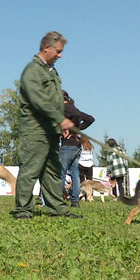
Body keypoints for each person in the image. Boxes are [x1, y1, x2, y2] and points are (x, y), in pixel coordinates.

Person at [12, 31, 81, 219]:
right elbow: (38, 100)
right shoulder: (32, 71)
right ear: (46, 48)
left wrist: (60, 123)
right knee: (31, 169)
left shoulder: (50, 70)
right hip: (35, 129)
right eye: (58, 51)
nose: (60, 55)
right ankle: (23, 210)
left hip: (50, 129)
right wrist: (59, 118)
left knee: (52, 170)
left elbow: (54, 99)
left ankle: (56, 207)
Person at [60, 91, 95, 207]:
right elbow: (90, 119)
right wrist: (78, 129)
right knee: (75, 173)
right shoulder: (72, 108)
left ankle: (59, 199)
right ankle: (75, 200)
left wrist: (72, 129)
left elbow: (77, 116)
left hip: (68, 145)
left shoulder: (65, 107)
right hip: (76, 145)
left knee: (61, 172)